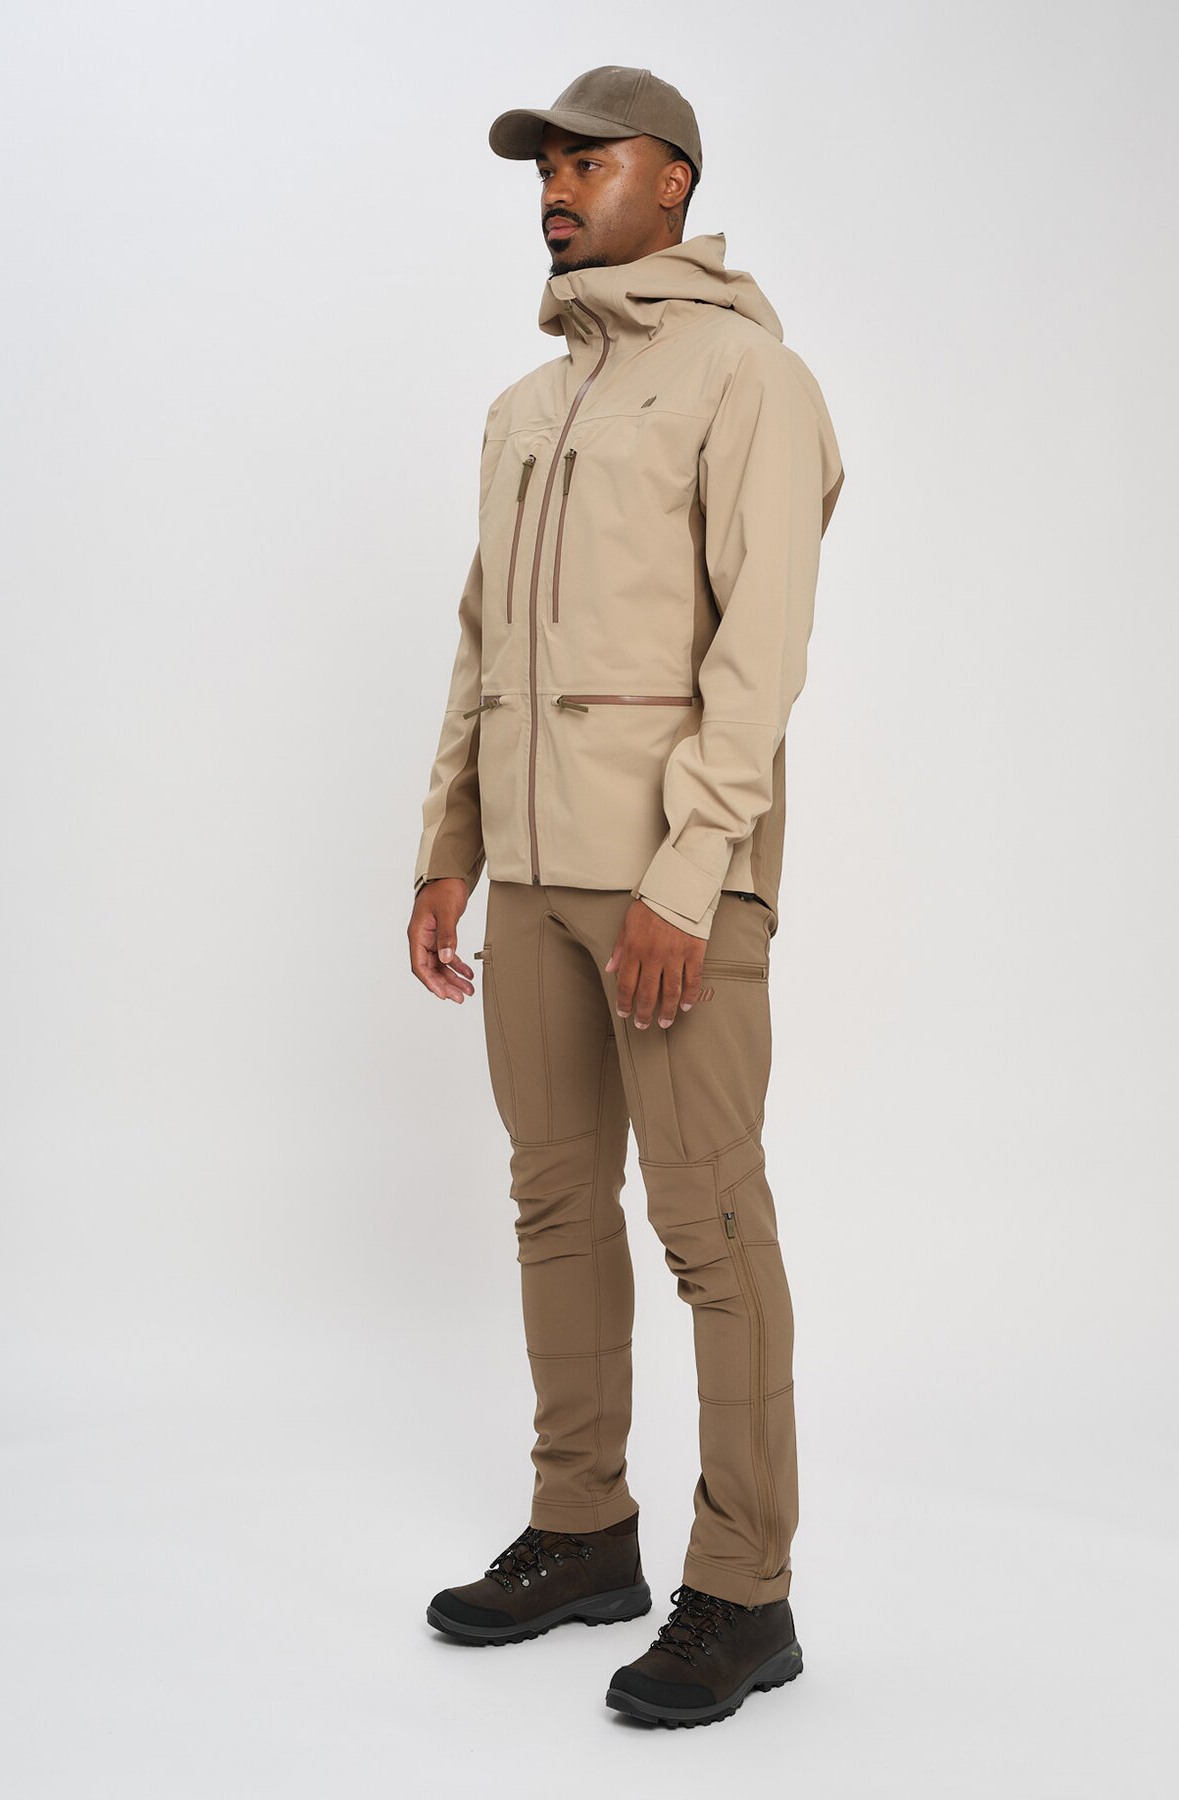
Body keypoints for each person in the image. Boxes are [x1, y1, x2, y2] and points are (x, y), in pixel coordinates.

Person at [406, 64, 844, 1729]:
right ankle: (583, 1529)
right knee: (554, 1208)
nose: (556, 186)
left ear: (673, 180)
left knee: (710, 1228)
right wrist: (448, 847)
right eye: (545, 166)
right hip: (530, 881)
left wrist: (691, 871)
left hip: (675, 889)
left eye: (589, 161)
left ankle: (746, 1590)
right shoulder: (528, 409)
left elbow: (761, 655)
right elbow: (481, 643)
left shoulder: (751, 378)